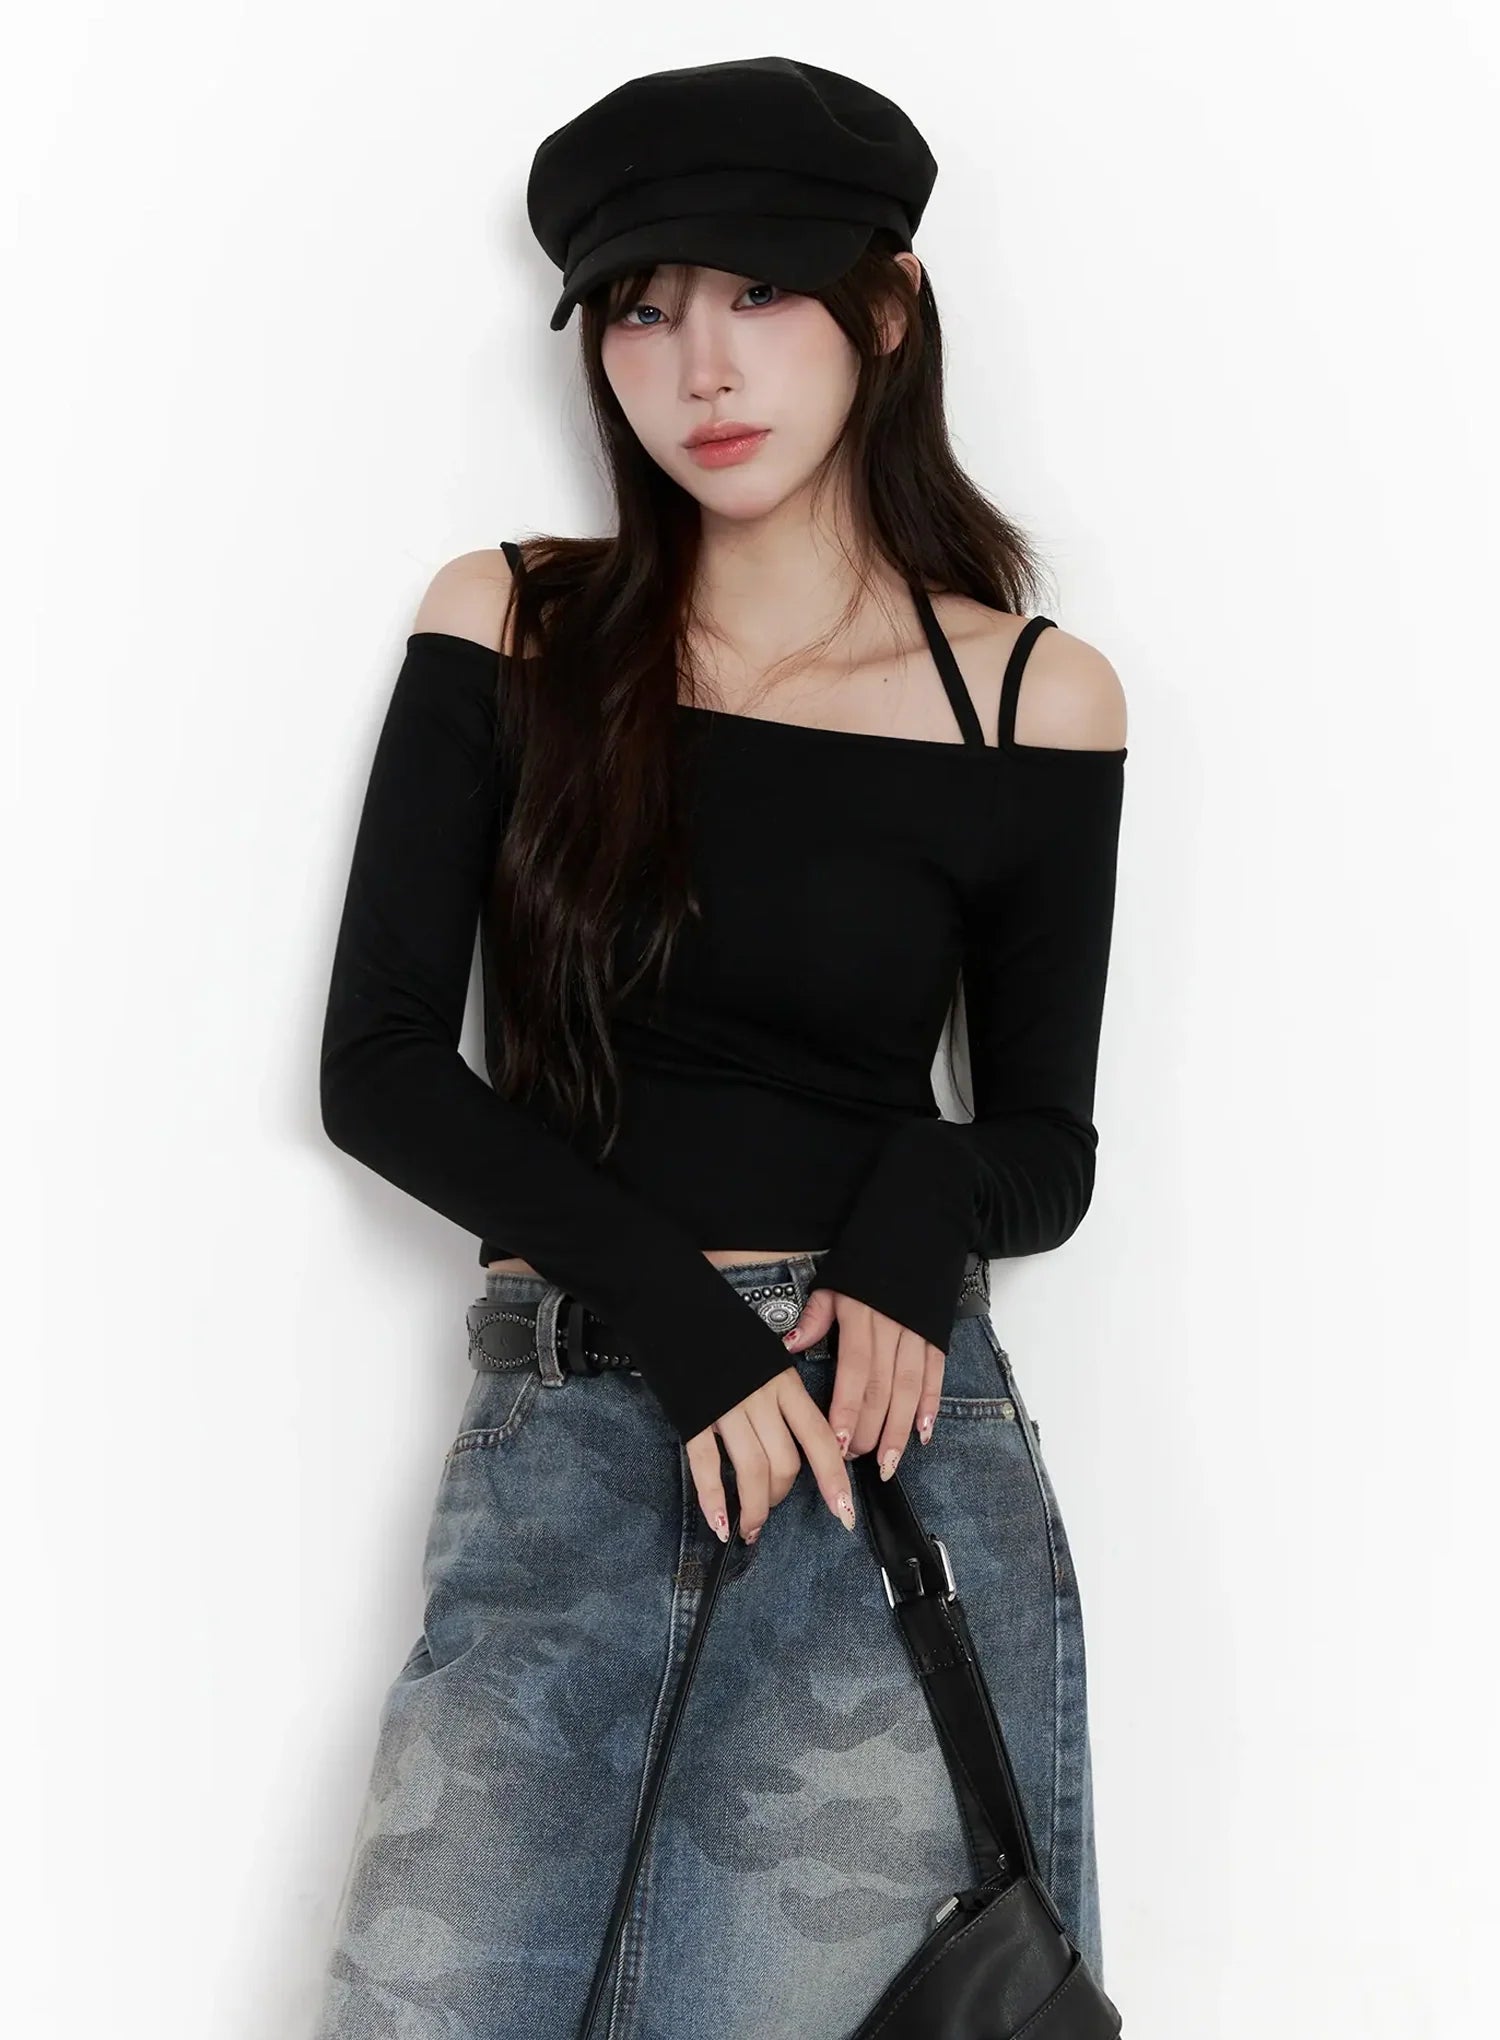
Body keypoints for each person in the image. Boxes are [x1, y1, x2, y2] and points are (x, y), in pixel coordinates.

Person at [310, 54, 1128, 2040]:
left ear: (887, 305)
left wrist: (924, 1194)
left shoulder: (1029, 698)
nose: (701, 368)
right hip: (579, 1418)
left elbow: (1045, 1141)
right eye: (642, 309)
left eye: (759, 291)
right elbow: (381, 1063)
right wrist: (674, 1313)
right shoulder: (518, 623)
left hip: (878, 1441)